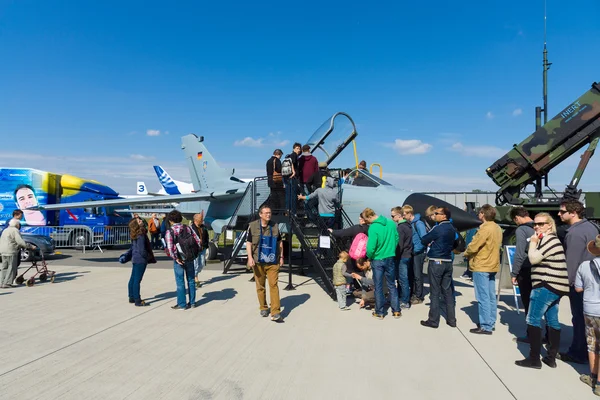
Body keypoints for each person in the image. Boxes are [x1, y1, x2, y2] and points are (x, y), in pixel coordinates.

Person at [515, 212, 569, 369]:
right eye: (535, 224)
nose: (537, 227)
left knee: (532, 319)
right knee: (552, 320)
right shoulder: (552, 240)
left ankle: (533, 359)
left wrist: (532, 242)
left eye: (541, 224)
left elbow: (533, 259)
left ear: (550, 225)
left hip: (545, 285)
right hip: (555, 286)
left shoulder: (548, 240)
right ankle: (550, 358)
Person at [559, 199, 599, 364]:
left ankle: (578, 352)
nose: (559, 214)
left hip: (579, 284)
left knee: (579, 319)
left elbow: (572, 262)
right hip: (594, 281)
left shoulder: (574, 233)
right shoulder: (592, 226)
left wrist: (565, 285)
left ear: (573, 212)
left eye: (562, 211)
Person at [464, 204, 503, 335]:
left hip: (482, 265)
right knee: (491, 296)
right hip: (492, 264)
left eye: (479, 213)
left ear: (483, 214)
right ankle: (491, 322)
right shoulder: (497, 228)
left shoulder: (484, 229)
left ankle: (485, 325)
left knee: (483, 297)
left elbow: (474, 246)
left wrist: (466, 252)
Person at [420, 207, 457, 329]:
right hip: (447, 261)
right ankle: (452, 320)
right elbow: (456, 242)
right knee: (448, 292)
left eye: (437, 213)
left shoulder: (438, 228)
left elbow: (424, 239)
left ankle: (433, 320)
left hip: (436, 261)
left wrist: (432, 242)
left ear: (444, 216)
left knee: (435, 292)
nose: (434, 215)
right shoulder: (452, 228)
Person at [246, 205, 284, 322]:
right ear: (260, 214)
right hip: (258, 261)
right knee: (260, 286)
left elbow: (280, 242)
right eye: (266, 213)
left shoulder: (275, 226)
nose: (268, 215)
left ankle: (275, 312)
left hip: (273, 261)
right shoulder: (252, 226)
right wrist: (250, 258)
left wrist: (282, 257)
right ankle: (263, 307)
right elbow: (249, 243)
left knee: (273, 285)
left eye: (270, 213)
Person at [364, 207, 400, 320]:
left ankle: (379, 312)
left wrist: (369, 257)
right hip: (390, 256)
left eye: (366, 220)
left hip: (378, 259)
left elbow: (371, 247)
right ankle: (396, 311)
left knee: (378, 286)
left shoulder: (373, 227)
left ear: (370, 217)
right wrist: (391, 248)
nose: (366, 222)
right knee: (392, 285)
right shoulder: (390, 223)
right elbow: (396, 237)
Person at [576, 235, 600, 393]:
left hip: (590, 308)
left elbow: (578, 288)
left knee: (592, 343)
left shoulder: (585, 265)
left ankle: (593, 376)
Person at [509, 207, 536, 343]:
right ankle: (549, 336)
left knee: (528, 304)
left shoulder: (522, 229)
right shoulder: (540, 226)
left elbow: (519, 254)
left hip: (526, 270)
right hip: (541, 269)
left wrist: (514, 273)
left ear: (517, 218)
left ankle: (531, 334)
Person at [165, 210, 200, 310]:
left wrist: (176, 258)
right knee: (191, 280)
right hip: (189, 257)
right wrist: (194, 253)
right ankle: (192, 302)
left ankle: (182, 304)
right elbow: (197, 240)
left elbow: (170, 247)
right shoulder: (187, 228)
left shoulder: (170, 231)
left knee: (180, 282)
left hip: (179, 259)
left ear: (171, 220)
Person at [403, 205, 428, 305]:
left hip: (418, 252)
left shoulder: (418, 223)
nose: (403, 216)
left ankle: (419, 296)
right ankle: (414, 293)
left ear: (410, 214)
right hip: (413, 252)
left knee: (418, 275)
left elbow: (424, 238)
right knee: (412, 274)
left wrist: (418, 248)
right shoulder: (411, 223)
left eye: (404, 214)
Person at [0, 219, 34, 288]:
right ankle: (7, 283)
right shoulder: (15, 230)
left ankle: (1, 282)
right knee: (11, 267)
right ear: (17, 225)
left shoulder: (5, 230)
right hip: (11, 251)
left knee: (4, 267)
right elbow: (20, 242)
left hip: (3, 251)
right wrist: (30, 246)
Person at [391, 206, 413, 309]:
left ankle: (404, 300)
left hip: (402, 256)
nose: (392, 218)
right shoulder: (408, 226)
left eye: (393, 216)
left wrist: (395, 255)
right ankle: (403, 298)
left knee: (402, 279)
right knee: (403, 278)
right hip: (407, 254)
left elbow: (400, 245)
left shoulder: (400, 228)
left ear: (399, 216)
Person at [126, 218, 151, 307]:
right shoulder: (141, 234)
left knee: (133, 278)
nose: (141, 221)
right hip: (140, 259)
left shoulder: (134, 233)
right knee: (137, 280)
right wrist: (147, 257)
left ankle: (131, 296)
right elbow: (141, 249)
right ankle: (137, 300)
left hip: (135, 258)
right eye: (139, 221)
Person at [191, 212, 209, 288]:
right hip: (195, 249)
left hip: (203, 248)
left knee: (201, 264)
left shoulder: (203, 227)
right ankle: (195, 279)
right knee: (195, 265)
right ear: (196, 220)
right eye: (200, 219)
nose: (202, 220)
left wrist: (206, 244)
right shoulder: (191, 228)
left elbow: (206, 236)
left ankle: (194, 275)